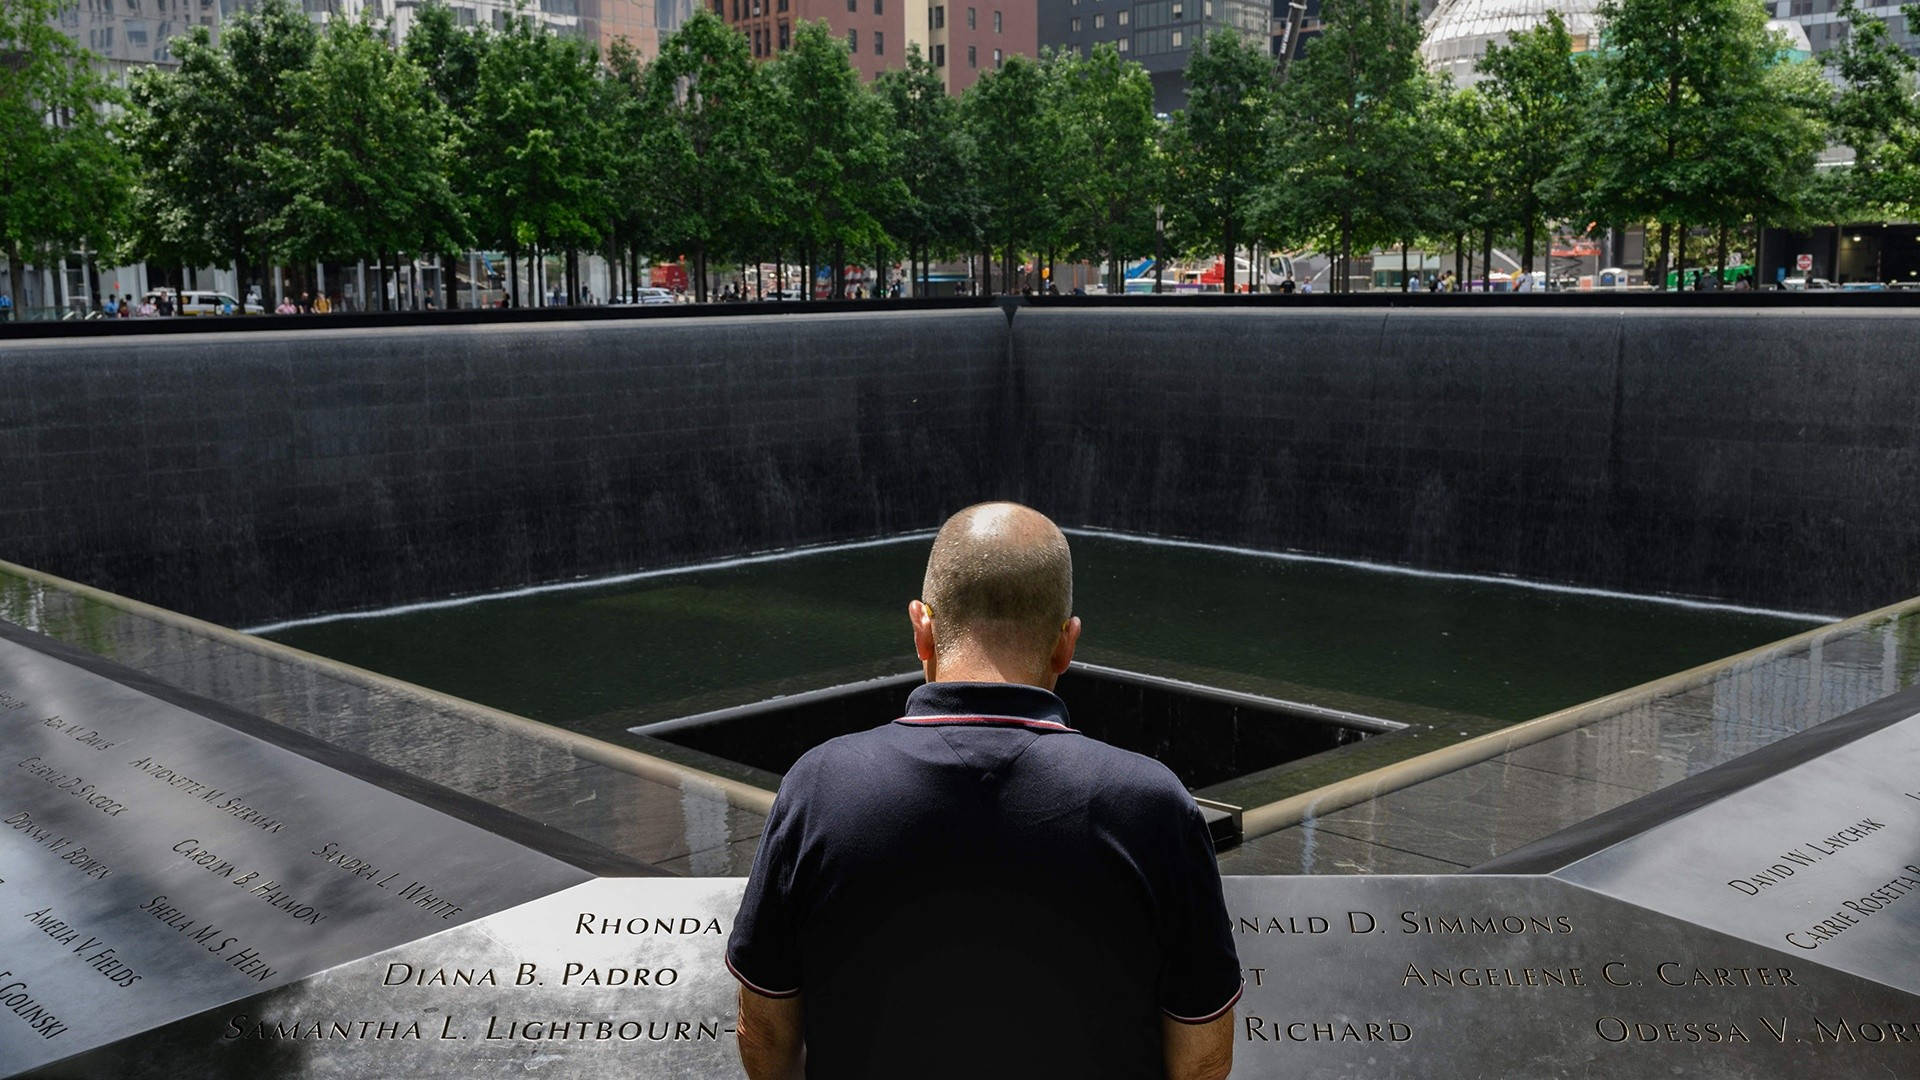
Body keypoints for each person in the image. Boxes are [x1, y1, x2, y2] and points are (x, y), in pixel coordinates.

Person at [729, 503, 1241, 1080]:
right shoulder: (1154, 806)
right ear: (1066, 645)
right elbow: (1202, 1058)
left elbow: (767, 1031)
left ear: (922, 628)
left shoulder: (818, 789)